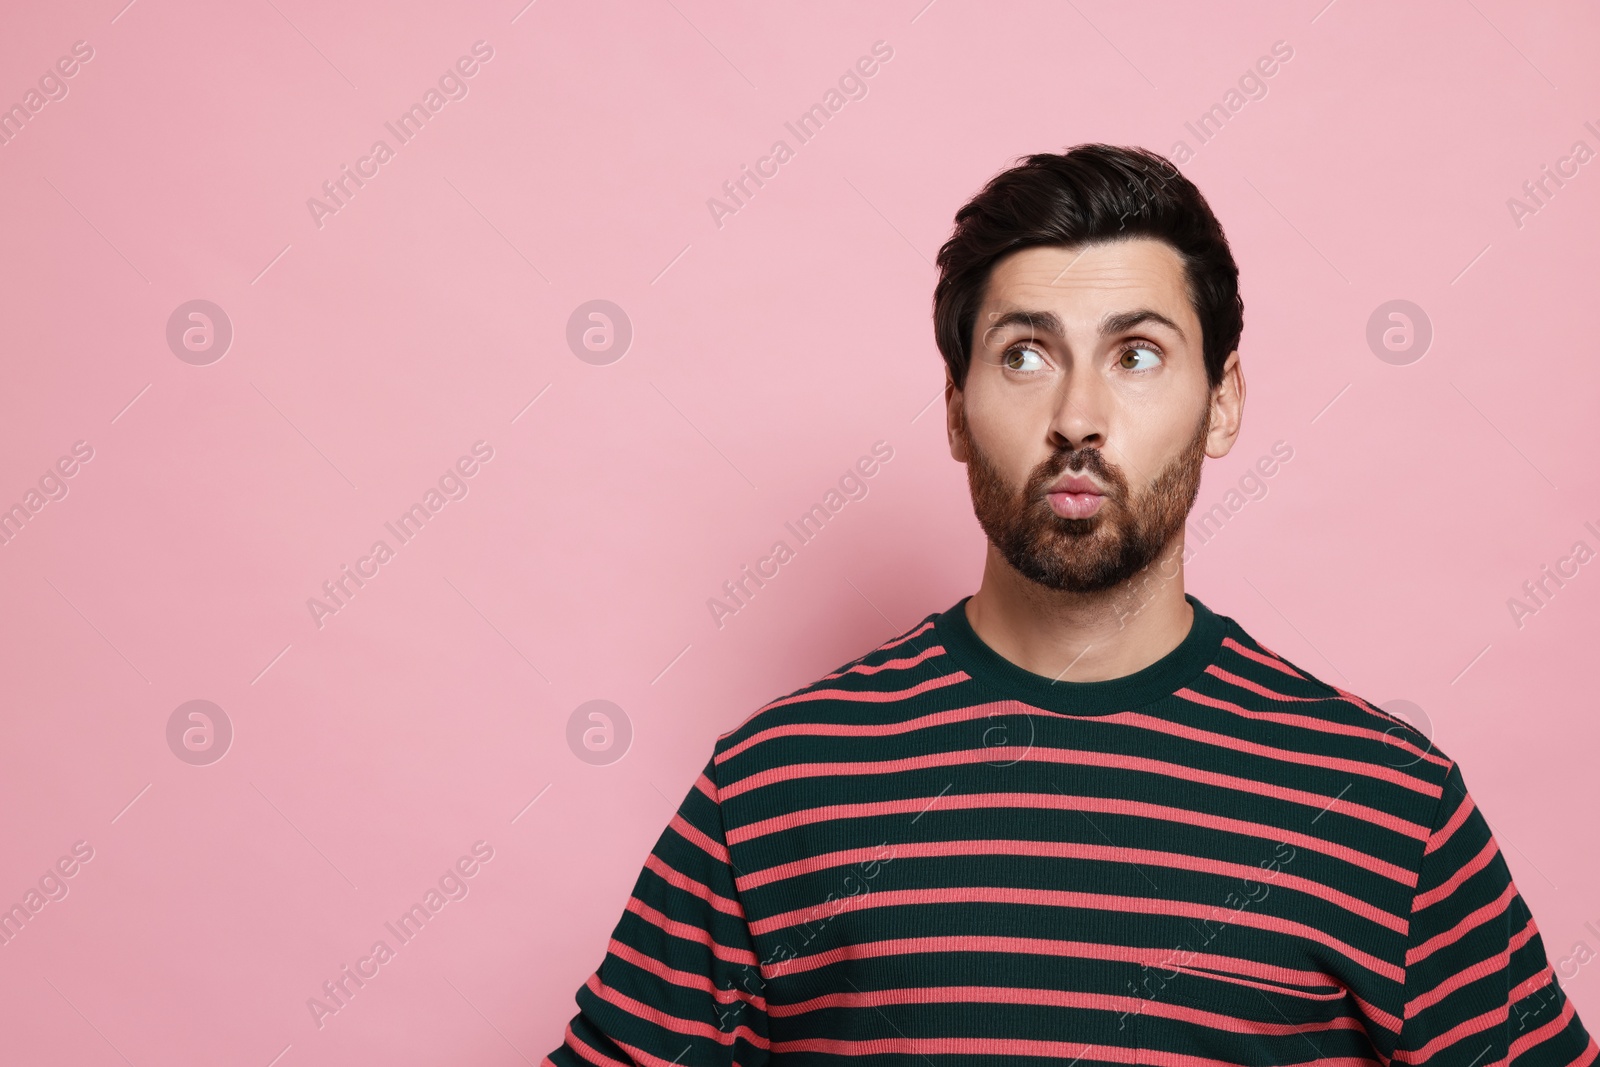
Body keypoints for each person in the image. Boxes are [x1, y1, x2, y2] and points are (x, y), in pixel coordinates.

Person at [542, 144, 1596, 1066]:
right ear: (955, 410)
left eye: (1136, 355)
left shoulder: (1382, 804)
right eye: (1024, 355)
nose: (1077, 415)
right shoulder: (775, 784)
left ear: (1221, 400)